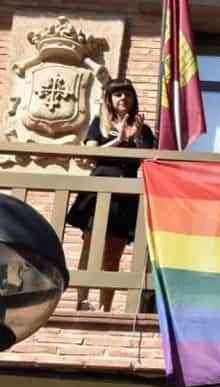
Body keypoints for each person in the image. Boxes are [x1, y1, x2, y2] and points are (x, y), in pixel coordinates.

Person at [66, 78, 155, 312]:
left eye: (127, 93)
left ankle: (106, 306)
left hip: (125, 193)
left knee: (114, 254)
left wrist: (137, 138)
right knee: (90, 247)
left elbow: (149, 161)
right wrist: (119, 140)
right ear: (109, 99)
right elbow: (90, 154)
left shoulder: (143, 129)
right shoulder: (100, 123)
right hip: (99, 188)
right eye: (117, 94)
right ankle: (82, 301)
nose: (123, 97)